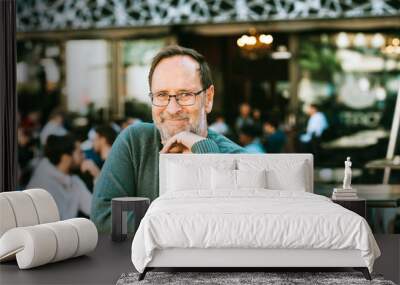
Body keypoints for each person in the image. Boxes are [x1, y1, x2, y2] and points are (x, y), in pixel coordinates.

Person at [91, 45, 245, 232]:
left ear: (209, 98)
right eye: (162, 95)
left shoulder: (240, 161)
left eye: (185, 94)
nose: (172, 109)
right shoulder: (135, 142)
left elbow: (225, 228)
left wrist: (205, 154)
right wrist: (184, 222)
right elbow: (103, 220)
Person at [27, 134, 92, 220]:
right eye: (80, 152)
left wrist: (97, 176)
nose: (84, 156)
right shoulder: (42, 183)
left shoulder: (74, 180)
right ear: (66, 158)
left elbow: (93, 208)